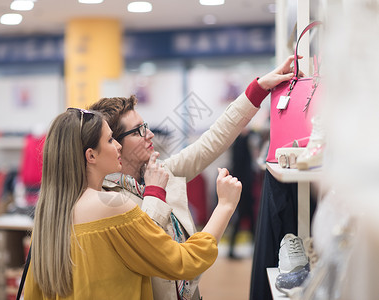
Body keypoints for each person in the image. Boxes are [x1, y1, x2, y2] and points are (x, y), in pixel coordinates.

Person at [88, 56, 300, 299]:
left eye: (145, 125)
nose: (150, 134)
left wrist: (259, 88)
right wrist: (158, 192)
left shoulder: (157, 172)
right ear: (115, 144)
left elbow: (211, 141)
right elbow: (156, 253)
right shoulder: (108, 201)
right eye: (138, 131)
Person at [24, 108, 243, 299]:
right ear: (90, 156)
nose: (117, 146)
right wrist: (225, 206)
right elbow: (183, 261)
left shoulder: (47, 220)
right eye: (110, 140)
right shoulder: (113, 207)